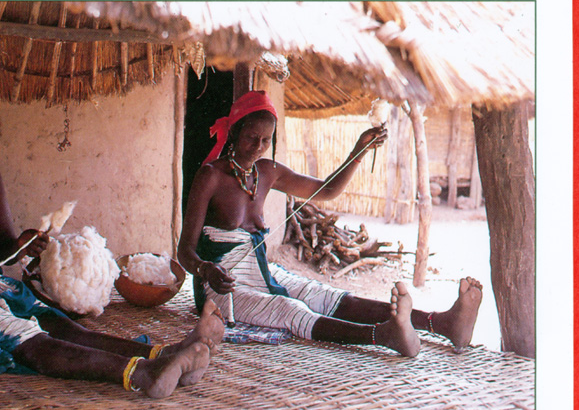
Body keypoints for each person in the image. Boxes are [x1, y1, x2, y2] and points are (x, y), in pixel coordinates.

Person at [0, 77, 224, 398]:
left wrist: (25, 244)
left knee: (64, 328)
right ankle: (142, 375)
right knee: (25, 336)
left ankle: (166, 353)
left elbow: (6, 248)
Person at [177, 90, 483, 357]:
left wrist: (358, 152)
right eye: (250, 138)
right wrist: (206, 269)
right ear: (234, 133)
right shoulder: (211, 177)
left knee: (324, 294)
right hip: (221, 287)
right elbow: (185, 251)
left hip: (262, 273)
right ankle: (384, 335)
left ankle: (441, 323)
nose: (258, 146)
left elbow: (327, 190)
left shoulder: (267, 171)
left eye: (266, 140)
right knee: (290, 310)